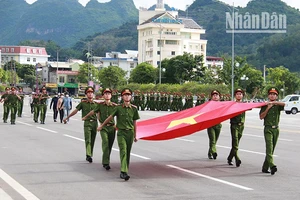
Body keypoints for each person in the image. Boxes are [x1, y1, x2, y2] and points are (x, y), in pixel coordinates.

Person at [97, 88, 140, 181]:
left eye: (128, 95)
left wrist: (136, 135)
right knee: (123, 151)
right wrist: (102, 125)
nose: (127, 96)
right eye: (125, 95)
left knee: (128, 152)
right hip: (121, 133)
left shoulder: (134, 109)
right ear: (122, 97)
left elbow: (134, 122)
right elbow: (110, 117)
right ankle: (123, 172)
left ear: (131, 97)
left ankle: (125, 170)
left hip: (130, 133)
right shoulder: (118, 108)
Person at [82, 88, 117, 170]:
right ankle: (106, 163)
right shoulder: (100, 105)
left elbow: (120, 115)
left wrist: (117, 125)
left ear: (111, 95)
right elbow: (93, 112)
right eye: (105, 94)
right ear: (103, 96)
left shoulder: (115, 106)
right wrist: (86, 117)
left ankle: (106, 159)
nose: (107, 95)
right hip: (103, 127)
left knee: (110, 145)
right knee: (105, 143)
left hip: (112, 128)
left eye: (109, 93)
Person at [63, 86, 97, 163]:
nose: (90, 94)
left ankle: (90, 154)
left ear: (93, 94)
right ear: (86, 94)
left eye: (91, 93)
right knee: (88, 139)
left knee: (93, 140)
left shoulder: (96, 104)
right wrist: (67, 117)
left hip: (95, 123)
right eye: (88, 93)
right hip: (87, 123)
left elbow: (99, 115)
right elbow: (75, 111)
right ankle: (88, 155)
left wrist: (102, 124)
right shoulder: (83, 103)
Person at [260, 87, 285, 175]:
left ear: (276, 96)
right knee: (269, 148)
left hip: (276, 129)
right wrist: (268, 108)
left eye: (274, 94)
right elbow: (261, 117)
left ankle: (265, 167)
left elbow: (285, 104)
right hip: (268, 128)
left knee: (272, 149)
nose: (272, 95)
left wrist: (274, 103)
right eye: (270, 94)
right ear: (268, 95)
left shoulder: (277, 105)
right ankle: (272, 165)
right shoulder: (265, 105)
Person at [227, 88, 245, 167]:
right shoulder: (232, 104)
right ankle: (237, 159)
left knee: (236, 144)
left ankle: (230, 158)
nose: (239, 95)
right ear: (235, 95)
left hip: (241, 126)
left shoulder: (244, 104)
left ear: (242, 95)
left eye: (240, 94)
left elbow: (251, 107)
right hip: (234, 125)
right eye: (237, 94)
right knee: (235, 143)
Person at [207, 90, 222, 160]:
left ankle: (210, 152)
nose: (215, 96)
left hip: (218, 125)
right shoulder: (208, 105)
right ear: (211, 97)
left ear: (219, 97)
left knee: (215, 140)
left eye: (217, 95)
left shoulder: (222, 104)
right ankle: (214, 152)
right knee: (212, 140)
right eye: (214, 95)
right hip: (210, 124)